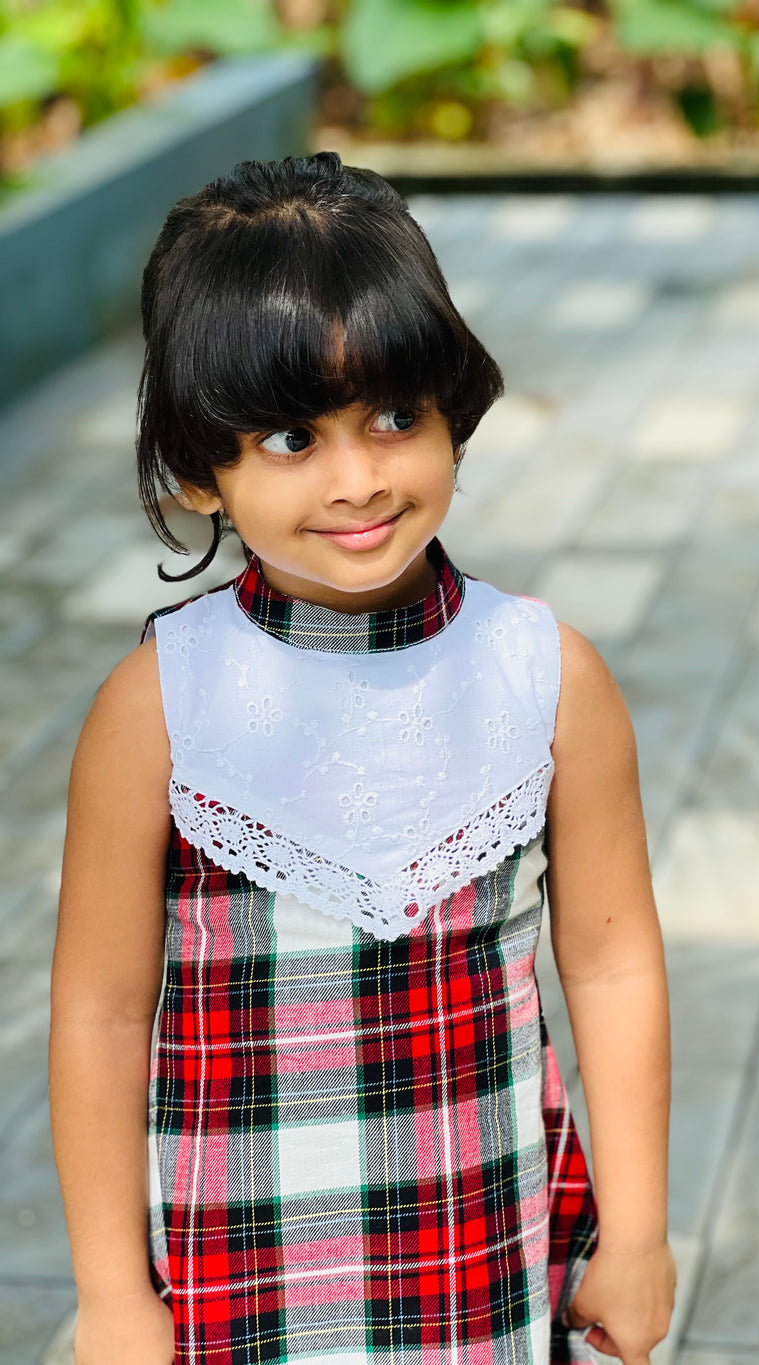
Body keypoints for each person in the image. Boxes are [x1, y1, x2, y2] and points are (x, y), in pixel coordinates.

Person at [48, 153, 674, 1365]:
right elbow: (101, 1010)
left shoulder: (547, 676)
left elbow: (610, 965)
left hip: (480, 1266)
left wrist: (638, 1233)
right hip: (242, 1283)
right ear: (200, 469)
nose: (359, 478)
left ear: (452, 408)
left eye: (395, 416)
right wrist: (112, 1291)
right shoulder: (157, 708)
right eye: (291, 436)